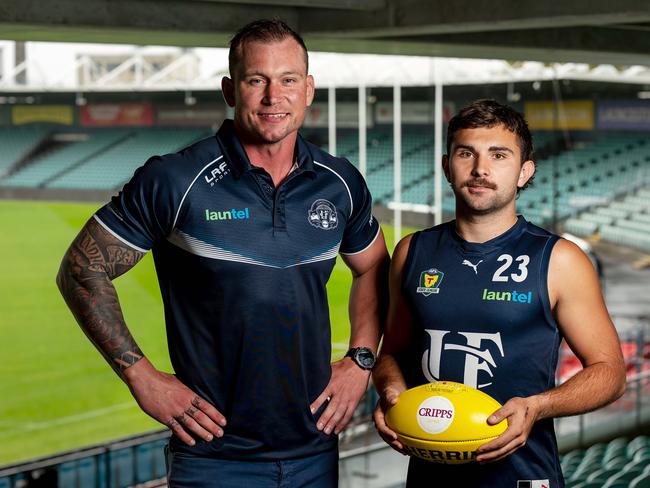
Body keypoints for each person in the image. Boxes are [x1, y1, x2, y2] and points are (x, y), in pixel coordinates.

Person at [57, 18, 389, 487]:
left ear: (309, 89)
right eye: (257, 81)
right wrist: (142, 376)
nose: (275, 97)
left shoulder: (340, 182)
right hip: (213, 457)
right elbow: (81, 269)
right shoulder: (174, 179)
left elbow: (374, 265)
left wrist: (360, 361)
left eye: (288, 80)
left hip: (315, 447)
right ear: (230, 90)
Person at [372, 99, 625, 487]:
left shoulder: (559, 260)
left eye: (499, 155)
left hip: (522, 475)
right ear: (446, 167)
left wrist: (538, 406)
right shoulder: (412, 251)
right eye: (465, 153)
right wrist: (391, 394)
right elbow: (391, 352)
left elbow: (609, 373)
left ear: (525, 172)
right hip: (429, 473)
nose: (480, 169)